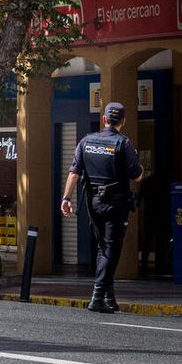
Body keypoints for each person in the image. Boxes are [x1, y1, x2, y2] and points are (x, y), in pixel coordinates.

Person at [62, 102, 144, 313]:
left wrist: (66, 198)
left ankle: (109, 299)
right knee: (112, 249)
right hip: (115, 203)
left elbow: (74, 172)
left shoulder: (86, 141)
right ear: (123, 121)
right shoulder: (123, 144)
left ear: (104, 119)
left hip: (92, 202)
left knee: (103, 247)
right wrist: (139, 163)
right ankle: (97, 296)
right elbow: (138, 175)